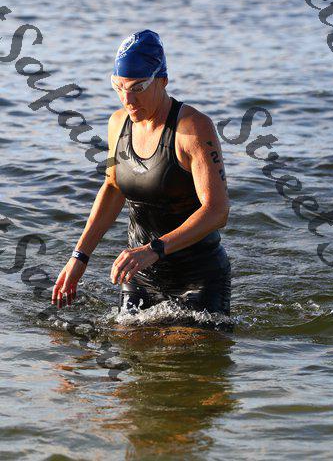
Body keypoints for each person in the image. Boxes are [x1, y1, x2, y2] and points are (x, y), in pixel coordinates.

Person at [51, 30, 231, 320]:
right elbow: (113, 187)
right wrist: (79, 257)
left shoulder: (193, 129)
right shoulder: (118, 123)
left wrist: (154, 249)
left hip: (196, 278)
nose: (127, 99)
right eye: (118, 86)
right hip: (140, 275)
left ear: (162, 80)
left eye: (138, 87)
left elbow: (217, 211)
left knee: (182, 348)